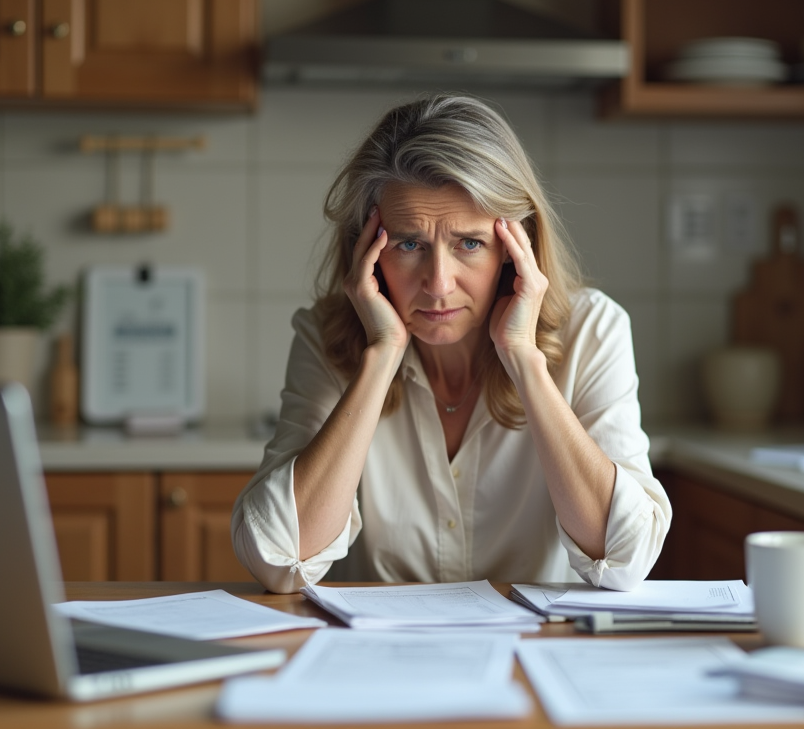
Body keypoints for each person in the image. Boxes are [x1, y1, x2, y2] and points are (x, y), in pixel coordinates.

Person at [232, 94, 671, 594]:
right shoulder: (325, 337)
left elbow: (626, 558)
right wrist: (379, 358)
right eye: (409, 244)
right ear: (367, 253)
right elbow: (275, 559)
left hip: (537, 651)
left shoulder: (593, 330)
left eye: (469, 243)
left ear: (514, 249)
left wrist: (525, 362)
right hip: (381, 657)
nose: (439, 283)